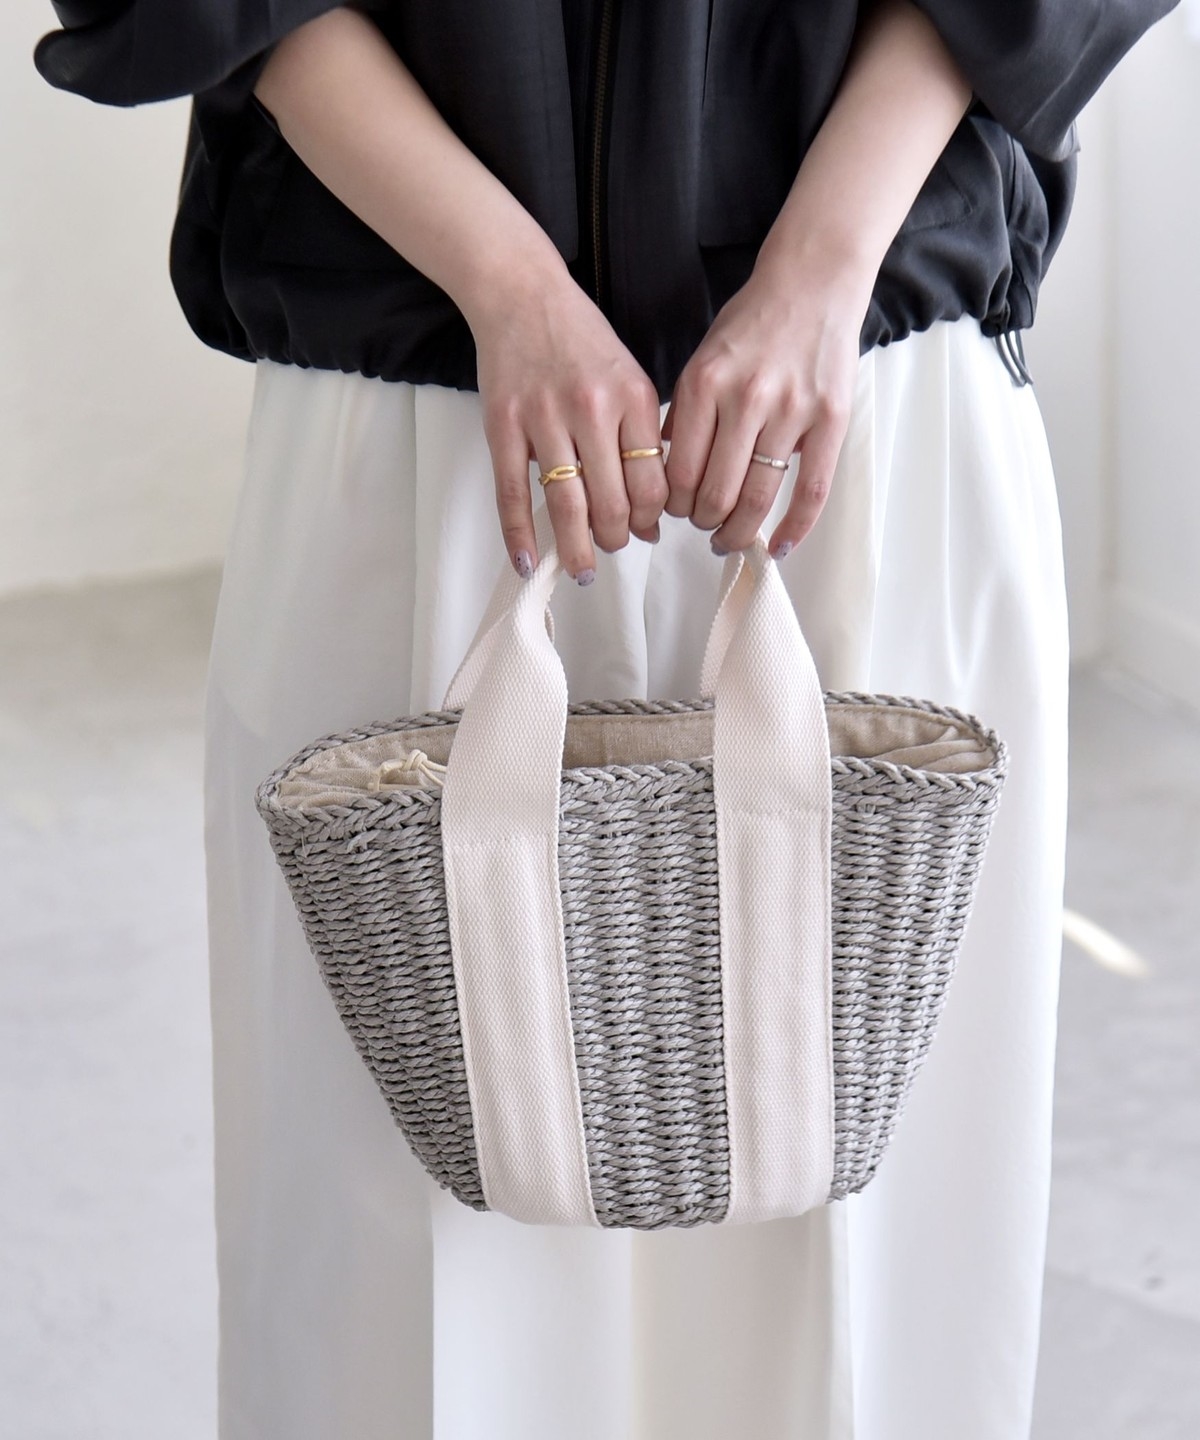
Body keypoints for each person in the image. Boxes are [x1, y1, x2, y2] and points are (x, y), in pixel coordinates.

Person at [34, 2, 1176, 1436]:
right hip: (428, 407)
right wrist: (509, 284)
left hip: (853, 390)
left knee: (865, 1261)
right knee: (392, 1249)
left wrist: (818, 272)